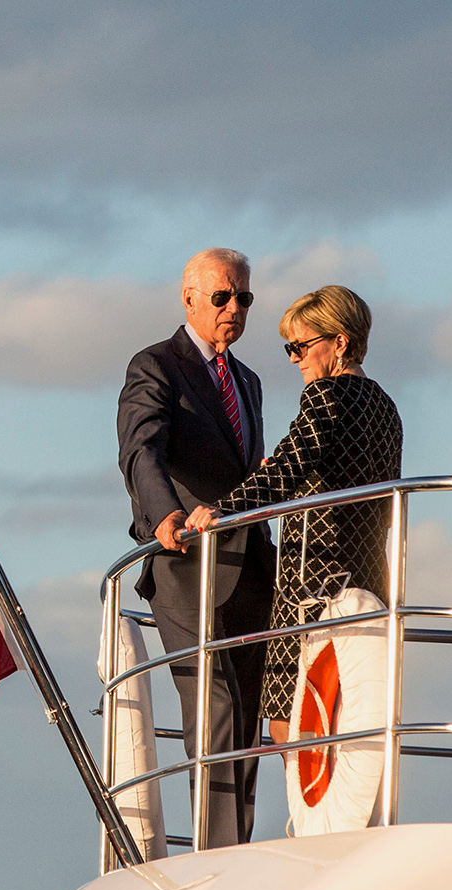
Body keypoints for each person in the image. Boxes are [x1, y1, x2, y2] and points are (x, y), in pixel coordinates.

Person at [186, 285, 402, 747]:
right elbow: (365, 490)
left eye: (301, 346)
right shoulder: (386, 407)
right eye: (291, 348)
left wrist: (224, 510)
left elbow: (287, 468)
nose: (294, 358)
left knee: (290, 722)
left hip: (313, 582)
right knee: (348, 717)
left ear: (339, 342)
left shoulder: (326, 395)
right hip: (369, 580)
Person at [117, 248, 276, 846]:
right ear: (189, 299)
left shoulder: (249, 381)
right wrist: (165, 513)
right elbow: (141, 448)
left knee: (248, 716)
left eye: (244, 298)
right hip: (185, 564)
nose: (234, 308)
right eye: (222, 296)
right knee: (216, 706)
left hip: (250, 566)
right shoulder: (155, 365)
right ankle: (217, 855)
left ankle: (236, 849)